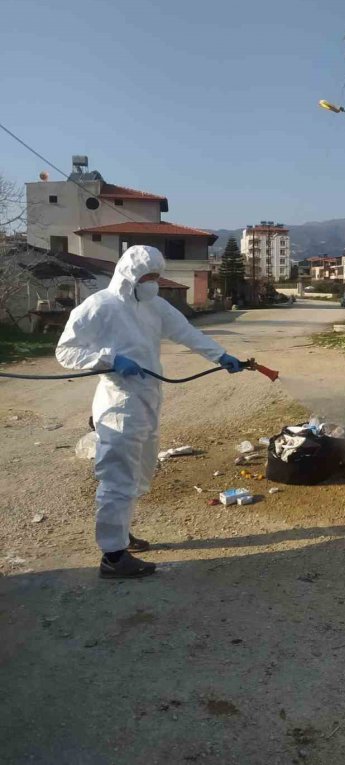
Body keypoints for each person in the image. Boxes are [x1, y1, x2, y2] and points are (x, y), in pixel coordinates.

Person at [56, 245, 243, 579]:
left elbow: (187, 332)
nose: (153, 282)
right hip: (118, 403)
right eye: (147, 276)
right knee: (118, 478)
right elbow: (66, 350)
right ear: (129, 275)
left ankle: (122, 533)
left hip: (147, 400)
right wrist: (110, 361)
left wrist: (220, 355)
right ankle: (113, 557)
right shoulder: (101, 306)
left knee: (140, 474)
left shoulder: (155, 306)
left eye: (156, 276)